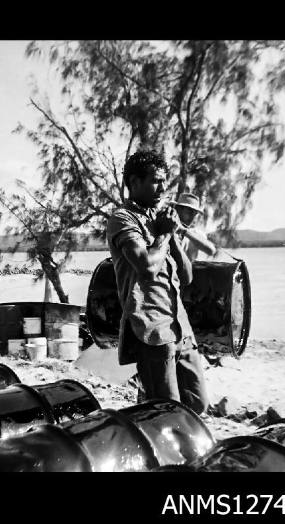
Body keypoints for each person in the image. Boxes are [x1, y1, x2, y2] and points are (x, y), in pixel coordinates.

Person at [106, 150, 209, 415]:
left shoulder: (160, 219)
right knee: (167, 410)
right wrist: (163, 236)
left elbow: (186, 276)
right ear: (134, 182)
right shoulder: (123, 219)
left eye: (165, 181)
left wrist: (172, 236)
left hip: (179, 324)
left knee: (197, 403)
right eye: (155, 181)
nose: (163, 188)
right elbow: (147, 267)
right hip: (150, 325)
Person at [172, 193, 216, 261]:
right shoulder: (167, 227)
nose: (192, 217)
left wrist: (184, 231)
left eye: (195, 213)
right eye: (189, 212)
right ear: (178, 209)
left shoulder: (196, 233)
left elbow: (211, 250)